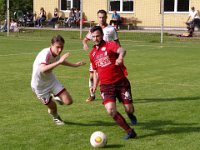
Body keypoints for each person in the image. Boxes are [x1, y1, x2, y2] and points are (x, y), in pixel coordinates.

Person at [89, 26, 137, 140]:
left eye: (98, 36)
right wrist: (94, 86)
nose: (96, 38)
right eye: (93, 36)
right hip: (106, 86)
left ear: (102, 36)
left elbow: (122, 50)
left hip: (121, 83)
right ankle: (130, 132)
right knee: (110, 110)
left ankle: (130, 114)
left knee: (129, 109)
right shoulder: (92, 54)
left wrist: (120, 57)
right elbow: (96, 72)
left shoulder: (109, 45)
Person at [31, 35, 86, 125]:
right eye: (58, 47)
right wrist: (59, 62)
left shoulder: (56, 53)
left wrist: (75, 65)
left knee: (68, 101)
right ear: (51, 45)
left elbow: (60, 60)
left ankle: (54, 95)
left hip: (51, 81)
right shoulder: (45, 54)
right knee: (53, 107)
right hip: (39, 86)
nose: (60, 50)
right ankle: (55, 117)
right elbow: (43, 69)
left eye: (62, 47)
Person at [82, 9, 120, 103]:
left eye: (103, 17)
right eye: (99, 17)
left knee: (109, 76)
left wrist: (119, 56)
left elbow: (117, 43)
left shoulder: (111, 29)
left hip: (108, 57)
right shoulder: (94, 29)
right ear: (97, 17)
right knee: (91, 76)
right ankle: (92, 95)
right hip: (97, 56)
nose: (101, 19)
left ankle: (116, 93)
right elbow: (85, 39)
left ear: (106, 17)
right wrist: (85, 44)